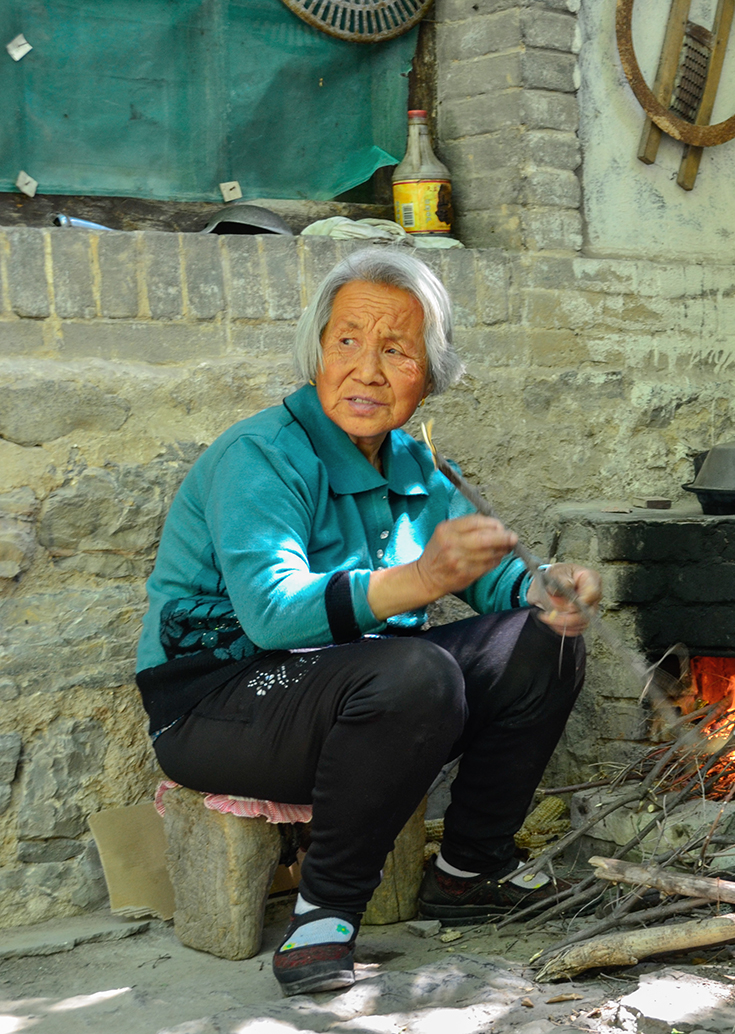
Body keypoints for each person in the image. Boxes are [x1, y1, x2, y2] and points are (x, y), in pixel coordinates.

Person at [134, 246, 601, 996]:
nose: (369, 370)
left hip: (359, 690)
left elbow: (497, 588)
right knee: (415, 671)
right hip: (217, 704)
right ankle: (324, 915)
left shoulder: (416, 468)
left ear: (430, 371)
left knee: (544, 638)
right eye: (347, 341)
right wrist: (420, 578)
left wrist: (551, 590)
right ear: (316, 352)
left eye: (396, 349)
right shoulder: (261, 455)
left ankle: (469, 870)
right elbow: (273, 615)